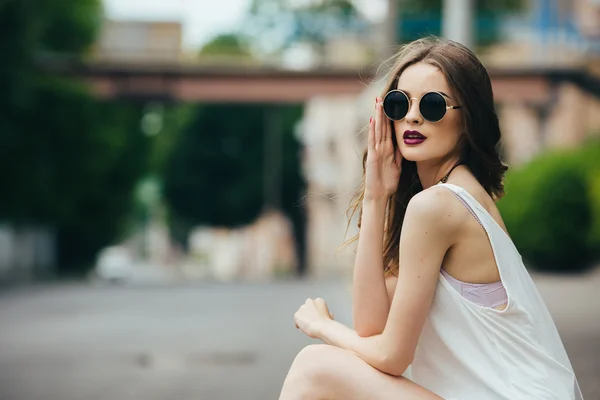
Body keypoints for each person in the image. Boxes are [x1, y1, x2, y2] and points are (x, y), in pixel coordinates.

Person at [278, 37, 584, 400]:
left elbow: (392, 356)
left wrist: (323, 327)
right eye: (398, 103)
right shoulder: (454, 197)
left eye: (433, 105)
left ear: (467, 117)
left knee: (315, 368)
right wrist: (376, 198)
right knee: (319, 368)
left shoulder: (439, 206)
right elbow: (371, 326)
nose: (412, 116)